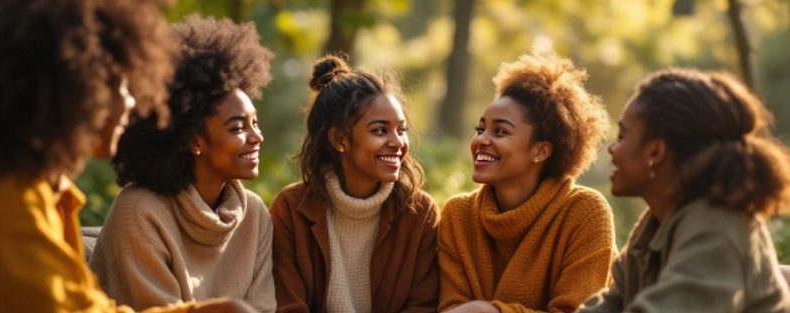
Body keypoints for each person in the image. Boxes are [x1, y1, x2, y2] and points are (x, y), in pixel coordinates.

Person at [0, 1, 250, 312]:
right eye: (120, 85)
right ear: (74, 90)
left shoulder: (44, 194)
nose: (132, 102)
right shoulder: (2, 198)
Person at [90, 15, 275, 312]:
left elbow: (263, 307)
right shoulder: (139, 211)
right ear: (194, 141)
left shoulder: (254, 214)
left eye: (255, 122)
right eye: (238, 127)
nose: (257, 137)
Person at [580, 69, 790, 312]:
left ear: (655, 152)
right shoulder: (654, 227)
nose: (612, 149)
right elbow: (611, 304)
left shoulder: (718, 228)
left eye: (622, 136)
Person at [439, 52, 615, 313]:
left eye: (500, 131)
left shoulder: (585, 212)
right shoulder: (458, 215)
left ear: (541, 151)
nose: (481, 140)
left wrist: (490, 312)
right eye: (480, 129)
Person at [270, 55, 439, 313]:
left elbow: (422, 306)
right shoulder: (291, 209)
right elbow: (288, 306)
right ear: (340, 139)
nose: (397, 142)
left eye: (401, 130)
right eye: (380, 130)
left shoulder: (420, 213)